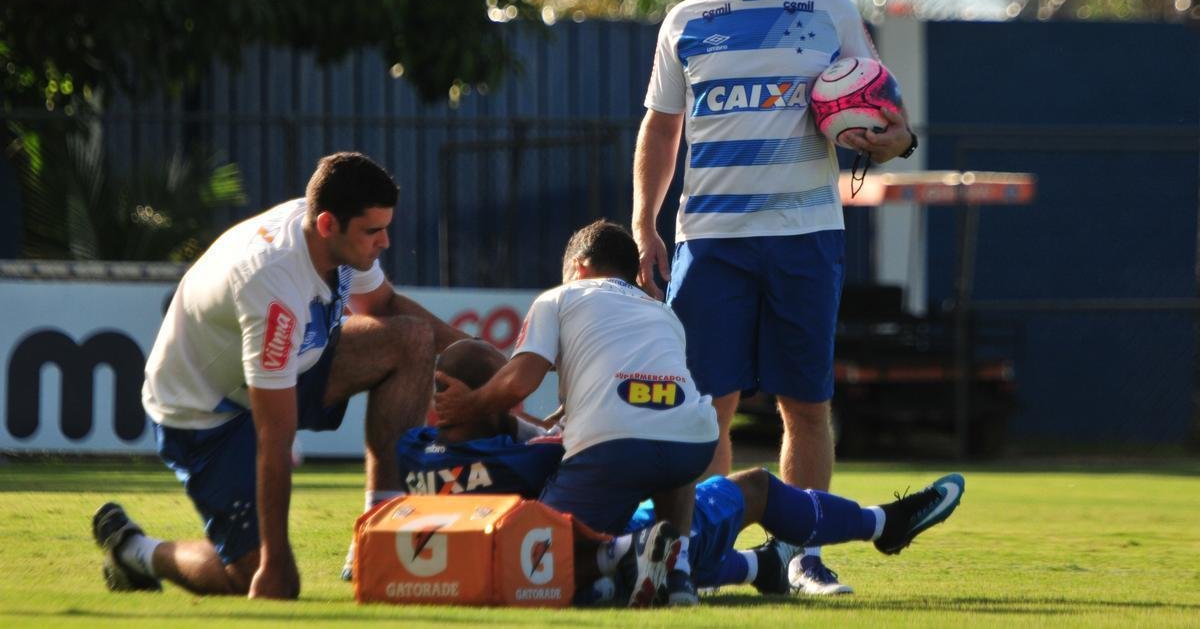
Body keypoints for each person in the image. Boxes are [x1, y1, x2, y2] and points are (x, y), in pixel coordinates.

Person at [630, 0, 918, 596]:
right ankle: (701, 554)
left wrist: (896, 140)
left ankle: (800, 557)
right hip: (710, 240)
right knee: (706, 409)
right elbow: (661, 129)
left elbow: (885, 111)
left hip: (805, 235)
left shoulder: (829, 10)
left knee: (806, 405)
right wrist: (644, 220)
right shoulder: (685, 20)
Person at [91, 151, 464, 600]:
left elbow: (382, 305)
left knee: (412, 339)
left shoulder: (331, 233)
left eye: (386, 228)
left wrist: (483, 356)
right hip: (206, 416)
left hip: (287, 366)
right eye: (373, 231)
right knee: (253, 579)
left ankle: (378, 535)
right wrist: (274, 561)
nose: (384, 242)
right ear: (328, 224)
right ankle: (135, 551)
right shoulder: (272, 282)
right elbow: (275, 436)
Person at [410, 338, 965, 601]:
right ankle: (881, 524)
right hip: (598, 546)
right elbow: (572, 441)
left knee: (664, 540)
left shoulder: (411, 450)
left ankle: (758, 567)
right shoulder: (525, 456)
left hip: (521, 569)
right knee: (752, 486)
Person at [435, 220, 720, 605]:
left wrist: (467, 404)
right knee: (669, 425)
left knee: (525, 559)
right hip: (695, 444)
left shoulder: (559, 298)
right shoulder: (661, 312)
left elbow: (519, 382)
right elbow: (635, 391)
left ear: (579, 266)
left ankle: (626, 553)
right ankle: (679, 572)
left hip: (615, 449)